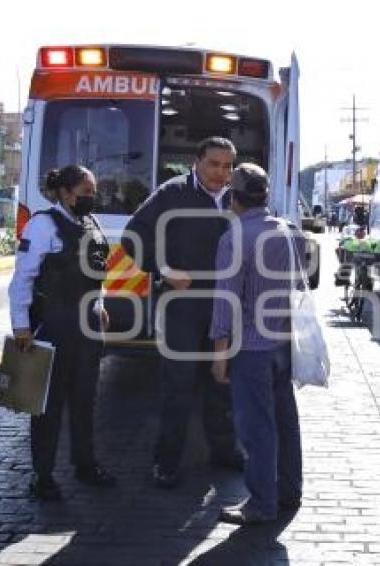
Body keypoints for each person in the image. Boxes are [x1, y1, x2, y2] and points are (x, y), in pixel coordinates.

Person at [123, 137, 243, 488]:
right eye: (213, 164)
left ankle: (223, 451)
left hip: (225, 306)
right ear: (197, 162)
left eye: (227, 166)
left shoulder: (238, 198)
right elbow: (132, 236)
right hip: (184, 307)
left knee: (221, 382)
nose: (220, 173)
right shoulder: (171, 194)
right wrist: (161, 269)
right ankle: (167, 461)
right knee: (179, 385)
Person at [7, 165, 116, 501]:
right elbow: (22, 279)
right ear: (66, 193)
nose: (91, 197)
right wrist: (21, 325)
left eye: (93, 191)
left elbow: (96, 272)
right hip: (54, 325)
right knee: (47, 406)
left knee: (85, 399)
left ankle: (85, 465)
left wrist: (100, 305)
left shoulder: (90, 223)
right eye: (86, 191)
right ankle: (43, 476)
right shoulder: (43, 225)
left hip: (87, 326)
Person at [209, 163, 304, 524]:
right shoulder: (289, 231)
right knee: (285, 422)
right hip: (282, 344)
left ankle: (261, 504)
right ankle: (289, 492)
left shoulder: (234, 238)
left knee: (256, 428)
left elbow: (226, 300)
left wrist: (219, 354)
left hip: (250, 348)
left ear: (234, 198)